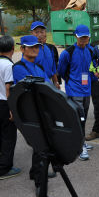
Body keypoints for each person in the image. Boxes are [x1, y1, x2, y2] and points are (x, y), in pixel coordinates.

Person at [12, 35, 52, 195]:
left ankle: (35, 172)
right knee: (41, 147)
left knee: (40, 146)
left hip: (43, 111)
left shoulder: (40, 68)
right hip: (30, 114)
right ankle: (39, 182)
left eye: (36, 46)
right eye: (30, 47)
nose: (34, 49)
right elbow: (32, 91)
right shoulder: (19, 67)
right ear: (22, 49)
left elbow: (48, 87)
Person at [58, 25, 94, 161]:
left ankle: (81, 141)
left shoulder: (90, 50)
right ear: (76, 37)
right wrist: (71, 82)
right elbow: (61, 70)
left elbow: (91, 68)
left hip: (87, 89)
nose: (84, 39)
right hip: (74, 90)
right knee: (79, 118)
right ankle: (79, 147)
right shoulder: (68, 52)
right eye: (81, 37)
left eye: (86, 37)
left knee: (83, 116)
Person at [0, 36, 21, 180]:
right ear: (13, 49)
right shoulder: (8, 66)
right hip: (4, 104)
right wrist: (12, 108)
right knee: (8, 137)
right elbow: (9, 88)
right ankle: (4, 168)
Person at [30, 21, 60, 89]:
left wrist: (56, 82)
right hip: (37, 84)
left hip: (49, 83)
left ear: (45, 33)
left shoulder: (49, 48)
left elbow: (53, 68)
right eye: (36, 32)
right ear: (32, 33)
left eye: (42, 31)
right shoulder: (30, 50)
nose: (40, 34)